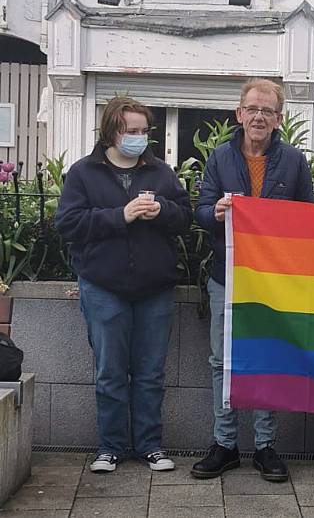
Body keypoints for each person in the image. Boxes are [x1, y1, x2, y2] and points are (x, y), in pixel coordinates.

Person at [55, 96, 192, 473]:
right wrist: (121, 216)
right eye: (132, 131)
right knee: (110, 371)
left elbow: (185, 218)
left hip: (155, 289)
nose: (139, 137)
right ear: (112, 131)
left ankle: (150, 446)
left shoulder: (161, 172)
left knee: (150, 373)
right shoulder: (83, 173)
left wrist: (163, 210)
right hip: (104, 287)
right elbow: (68, 225)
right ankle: (110, 447)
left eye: (144, 130)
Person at [192, 78, 314, 481]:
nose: (259, 116)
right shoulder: (219, 157)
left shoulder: (295, 161)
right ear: (239, 114)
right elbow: (200, 209)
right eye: (253, 108)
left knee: (267, 359)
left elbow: (309, 219)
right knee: (220, 360)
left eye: (268, 110)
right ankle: (224, 444)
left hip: (272, 281)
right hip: (225, 275)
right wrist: (216, 213)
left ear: (278, 119)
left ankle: (265, 447)